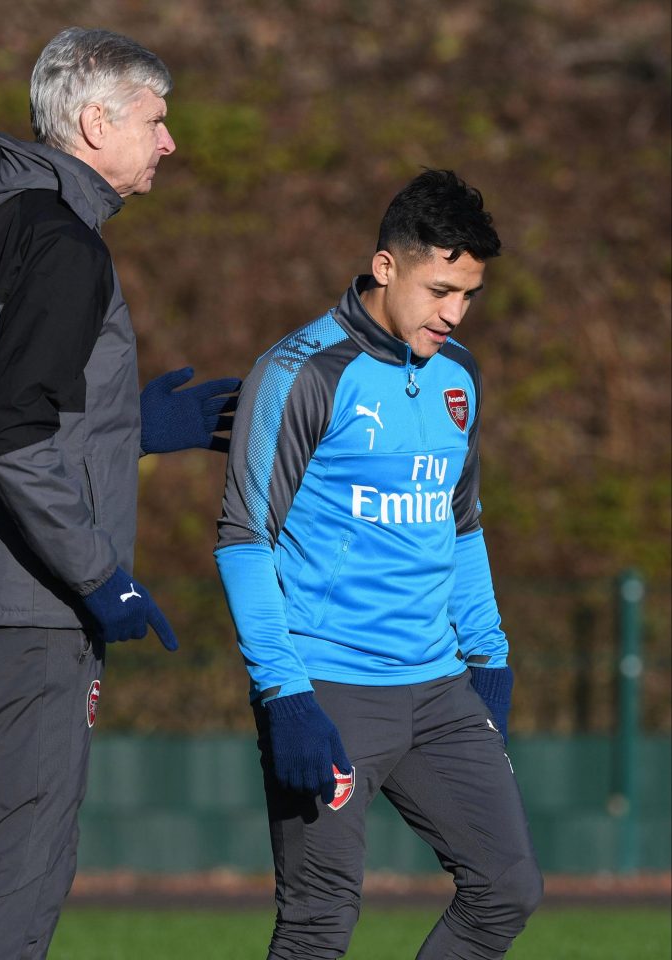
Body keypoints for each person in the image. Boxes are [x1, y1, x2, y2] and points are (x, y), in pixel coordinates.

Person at [0, 27, 239, 960]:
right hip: (29, 607)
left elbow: (4, 402)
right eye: (156, 119)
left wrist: (125, 425)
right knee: (23, 875)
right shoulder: (63, 244)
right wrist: (99, 576)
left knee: (18, 861)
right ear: (96, 122)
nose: (169, 142)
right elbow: (6, 430)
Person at [215, 169, 543, 960]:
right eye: (439, 290)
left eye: (468, 295)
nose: (453, 313)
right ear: (384, 266)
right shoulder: (299, 373)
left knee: (506, 891)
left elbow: (460, 525)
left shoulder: (457, 377)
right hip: (327, 689)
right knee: (318, 922)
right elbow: (241, 537)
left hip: (438, 689)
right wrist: (285, 694)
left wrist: (488, 656)